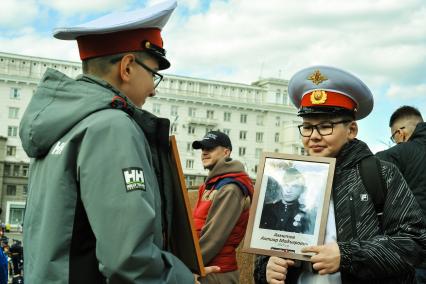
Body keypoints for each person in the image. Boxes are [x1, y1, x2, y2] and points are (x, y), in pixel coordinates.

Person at [19, 1, 218, 283]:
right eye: (153, 74)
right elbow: (127, 257)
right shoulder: (112, 126)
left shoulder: (64, 124)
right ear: (126, 67)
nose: (153, 90)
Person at [253, 66, 426, 283]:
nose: (313, 136)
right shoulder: (291, 177)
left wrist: (347, 255)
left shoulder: (381, 174)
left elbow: (415, 242)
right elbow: (266, 245)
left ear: (351, 130)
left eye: (325, 126)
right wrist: (267, 267)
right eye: (307, 127)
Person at [192, 131, 254, 284]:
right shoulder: (211, 185)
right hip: (203, 267)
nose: (204, 152)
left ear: (226, 152)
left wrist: (189, 267)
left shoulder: (231, 188)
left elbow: (214, 237)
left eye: (210, 148)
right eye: (202, 148)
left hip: (216, 273)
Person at [376, 106, 426, 283]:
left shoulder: (399, 153)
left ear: (401, 133)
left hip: (418, 256)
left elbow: (367, 168)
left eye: (393, 136)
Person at [260, 168, 311, 234]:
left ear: (302, 189)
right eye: (285, 185)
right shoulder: (267, 209)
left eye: (294, 186)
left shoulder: (305, 215)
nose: (288, 190)